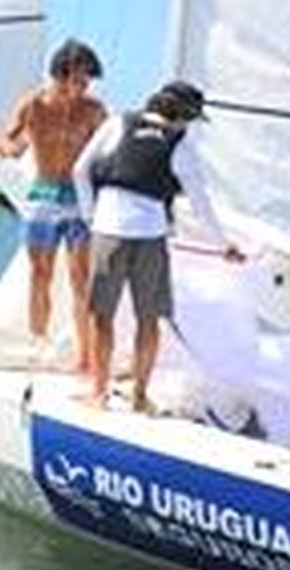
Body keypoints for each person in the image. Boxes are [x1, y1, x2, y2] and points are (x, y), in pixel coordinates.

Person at [73, 79, 243, 413]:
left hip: (107, 229)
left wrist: (91, 218)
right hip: (150, 236)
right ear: (182, 115)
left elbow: (80, 170)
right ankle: (139, 397)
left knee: (100, 315)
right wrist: (224, 246)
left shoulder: (118, 124)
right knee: (148, 318)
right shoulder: (180, 146)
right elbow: (200, 203)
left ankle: (98, 393)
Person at [0, 38, 107, 370]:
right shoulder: (34, 105)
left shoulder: (94, 110)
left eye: (87, 81)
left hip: (77, 201)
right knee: (39, 274)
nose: (84, 87)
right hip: (42, 197)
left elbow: (109, 149)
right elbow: (6, 138)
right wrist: (10, 149)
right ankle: (37, 343)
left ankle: (85, 356)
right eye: (79, 79)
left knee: (80, 278)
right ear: (61, 74)